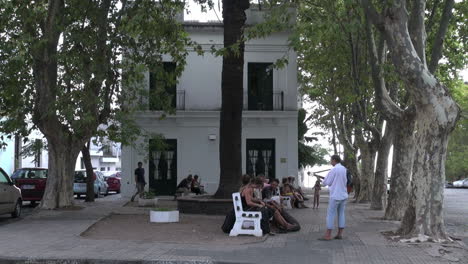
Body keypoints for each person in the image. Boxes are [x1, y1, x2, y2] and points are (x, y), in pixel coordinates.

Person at [320, 155, 348, 241]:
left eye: (331, 160)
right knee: (341, 214)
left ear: (334, 160)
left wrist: (322, 181)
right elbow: (345, 181)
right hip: (344, 195)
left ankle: (328, 235)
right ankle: (339, 234)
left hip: (335, 195)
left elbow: (327, 182)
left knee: (330, 214)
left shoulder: (333, 169)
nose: (330, 162)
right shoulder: (344, 169)